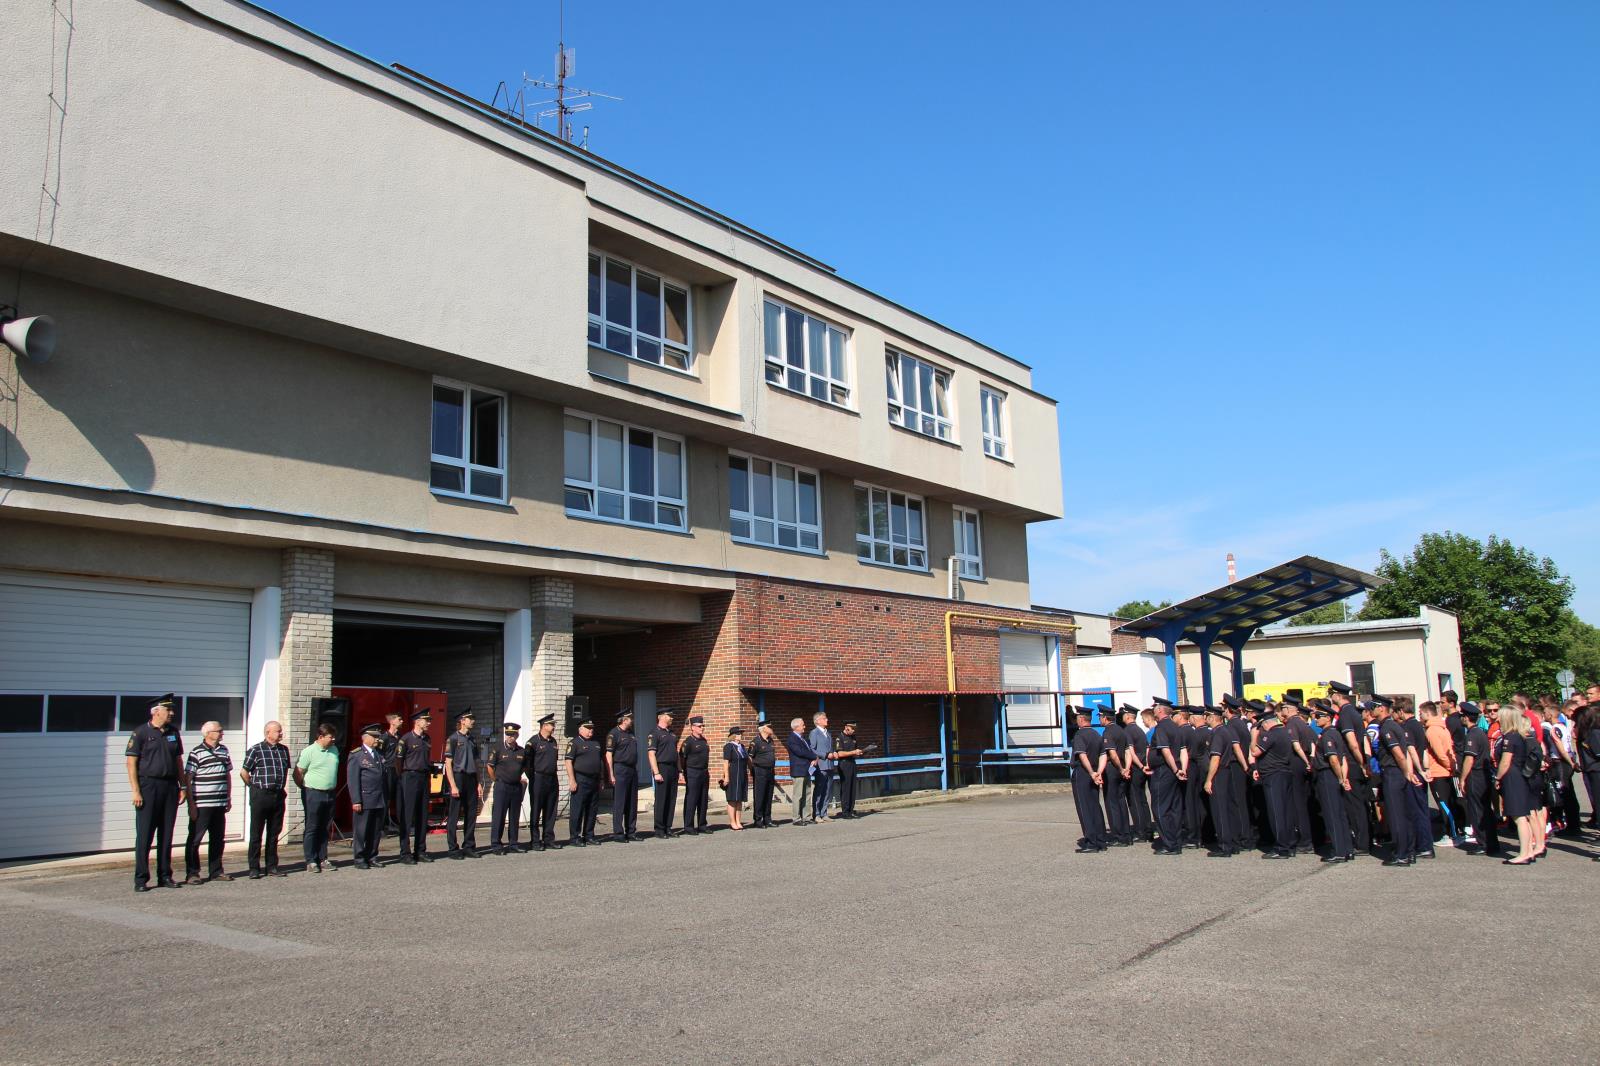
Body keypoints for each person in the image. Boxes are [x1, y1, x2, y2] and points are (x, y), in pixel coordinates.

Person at [126, 693, 187, 892]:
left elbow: (178, 761)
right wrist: (136, 791)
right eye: (168, 710)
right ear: (156, 712)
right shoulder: (141, 732)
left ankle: (165, 875)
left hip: (169, 787)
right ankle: (141, 878)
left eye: (171, 710)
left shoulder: (173, 732)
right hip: (148, 787)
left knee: (167, 834)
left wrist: (183, 786)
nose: (172, 713)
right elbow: (131, 762)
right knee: (145, 835)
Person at [182, 720, 233, 884]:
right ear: (208, 733)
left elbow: (227, 775)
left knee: (218, 839)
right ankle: (192, 873)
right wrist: (192, 805)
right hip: (202, 804)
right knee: (195, 839)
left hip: (219, 803)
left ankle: (216, 871)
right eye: (219, 730)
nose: (222, 733)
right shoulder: (196, 752)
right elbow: (188, 778)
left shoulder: (224, 751)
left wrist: (228, 797)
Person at [239, 719, 290, 880]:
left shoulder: (283, 750)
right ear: (268, 733)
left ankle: (272, 866)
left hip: (277, 795)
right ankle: (254, 868)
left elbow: (285, 771)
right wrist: (254, 788)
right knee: (256, 833)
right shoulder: (256, 750)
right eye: (278, 731)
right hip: (261, 795)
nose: (281, 733)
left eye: (281, 731)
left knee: (274, 833)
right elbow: (244, 772)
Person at [1371, 697, 1418, 867]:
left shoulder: (1387, 728)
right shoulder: (1393, 726)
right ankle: (1409, 851)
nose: (1370, 710)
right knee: (1404, 814)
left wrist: (1406, 772)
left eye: (1373, 707)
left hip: (1393, 772)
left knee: (1396, 815)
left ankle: (1401, 853)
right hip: (1398, 772)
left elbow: (1398, 753)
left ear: (1381, 708)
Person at [1328, 681, 1373, 856]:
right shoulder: (1353, 712)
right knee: (1360, 804)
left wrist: (1362, 764)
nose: (1331, 697)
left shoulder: (1346, 714)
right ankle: (1365, 840)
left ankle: (1362, 843)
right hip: (1356, 763)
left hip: (1352, 765)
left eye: (1332, 694)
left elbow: (1353, 743)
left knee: (1355, 806)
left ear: (1338, 696)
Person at [295, 722, 341, 873]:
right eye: (330, 737)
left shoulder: (334, 750)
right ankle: (311, 860)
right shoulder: (309, 751)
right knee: (312, 827)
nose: (333, 739)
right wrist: (304, 787)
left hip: (330, 793)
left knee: (324, 827)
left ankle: (323, 858)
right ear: (321, 737)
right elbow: (298, 772)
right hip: (313, 792)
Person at [1310, 704, 1353, 862]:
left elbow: (1334, 759)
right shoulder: (1335, 734)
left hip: (1328, 775)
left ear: (1328, 718)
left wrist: (1341, 777)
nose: (1316, 719)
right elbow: (1342, 760)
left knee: (1332, 815)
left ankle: (1338, 851)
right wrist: (1343, 777)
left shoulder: (1328, 735)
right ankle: (1347, 848)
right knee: (1340, 814)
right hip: (1335, 775)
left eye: (1319, 716)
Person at [1495, 707, 1538, 865]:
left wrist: (1497, 777)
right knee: (1522, 817)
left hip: (1512, 776)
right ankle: (1528, 851)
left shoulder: (1510, 737)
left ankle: (1524, 854)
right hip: (1518, 775)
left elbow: (1505, 761)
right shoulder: (1518, 735)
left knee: (1519, 817)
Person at [1457, 702, 1500, 857]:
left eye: (1462, 716)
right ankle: (1491, 842)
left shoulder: (1473, 734)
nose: (1461, 718)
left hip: (1476, 775)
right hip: (1483, 774)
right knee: (1485, 809)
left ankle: (1483, 842)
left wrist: (1462, 779)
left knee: (1478, 810)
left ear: (1467, 717)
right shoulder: (1480, 732)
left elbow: (1469, 758)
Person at [1395, 698, 1436, 859]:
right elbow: (1424, 750)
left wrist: (1415, 771)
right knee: (1422, 809)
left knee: (1416, 811)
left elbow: (1411, 750)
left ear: (1400, 711)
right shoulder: (1419, 726)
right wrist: (1426, 770)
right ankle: (1425, 845)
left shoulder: (1408, 726)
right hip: (1420, 771)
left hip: (1414, 772)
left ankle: (1423, 846)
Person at [1251, 710, 1295, 859]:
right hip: (1285, 772)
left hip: (1273, 774)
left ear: (1265, 723)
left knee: (1276, 811)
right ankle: (1289, 844)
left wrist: (1253, 737)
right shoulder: (1285, 732)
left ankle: (1281, 847)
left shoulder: (1269, 734)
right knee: (1286, 811)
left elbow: (1255, 752)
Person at [1147, 698, 1185, 856]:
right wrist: (1181, 769)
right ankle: (1175, 841)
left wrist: (1176, 769)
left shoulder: (1162, 728)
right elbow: (1182, 750)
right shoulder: (1175, 727)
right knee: (1174, 808)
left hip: (1164, 770)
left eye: (1155, 708)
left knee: (1160, 807)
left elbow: (1165, 751)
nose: (1153, 710)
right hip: (1173, 770)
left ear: (1161, 711)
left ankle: (1169, 844)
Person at [395, 709, 434, 864]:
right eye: (427, 720)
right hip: (409, 777)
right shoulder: (406, 739)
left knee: (423, 815)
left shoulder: (427, 738)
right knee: (407, 815)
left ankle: (420, 850)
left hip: (423, 777)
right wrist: (403, 778)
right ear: (417, 721)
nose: (429, 723)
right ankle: (405, 852)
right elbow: (398, 762)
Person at [347, 722, 387, 869]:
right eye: (375, 736)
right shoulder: (357, 755)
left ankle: (372, 856)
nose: (378, 739)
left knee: (375, 831)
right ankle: (359, 858)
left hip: (379, 798)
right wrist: (356, 800)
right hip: (365, 798)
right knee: (361, 830)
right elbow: (353, 780)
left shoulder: (378, 754)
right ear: (366, 738)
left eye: (378, 736)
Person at [443, 708, 482, 859]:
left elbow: (476, 762)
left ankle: (469, 846)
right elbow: (448, 763)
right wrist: (452, 785)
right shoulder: (453, 739)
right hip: (458, 777)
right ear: (462, 721)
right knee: (454, 814)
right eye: (470, 718)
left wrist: (478, 782)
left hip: (471, 778)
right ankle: (453, 848)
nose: (472, 721)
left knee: (471, 813)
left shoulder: (472, 739)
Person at [1421, 702, 1461, 847]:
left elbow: (1440, 753)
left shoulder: (1432, 730)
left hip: (1439, 772)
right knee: (1448, 803)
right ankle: (1452, 833)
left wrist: (1449, 767)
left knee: (1444, 804)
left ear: (1427, 713)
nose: (1420, 716)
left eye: (1421, 713)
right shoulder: (1443, 727)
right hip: (1445, 770)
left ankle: (1451, 835)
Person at [1280, 696, 1316, 854]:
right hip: (1304, 766)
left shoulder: (1292, 724)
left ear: (1288, 710)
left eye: (1283, 709)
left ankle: (1304, 840)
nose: (1281, 712)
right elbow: (1314, 744)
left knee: (1298, 804)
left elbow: (1295, 745)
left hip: (1296, 765)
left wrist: (1305, 760)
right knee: (1303, 802)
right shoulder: (1303, 724)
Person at [1070, 707, 1108, 853]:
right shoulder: (1096, 734)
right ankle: (1100, 840)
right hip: (1095, 771)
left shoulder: (1080, 735)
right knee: (1095, 806)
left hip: (1083, 772)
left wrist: (1092, 772)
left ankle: (1091, 842)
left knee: (1084, 807)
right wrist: (1099, 772)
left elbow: (1082, 755)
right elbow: (1103, 755)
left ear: (1080, 719)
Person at [486, 722, 526, 855]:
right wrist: (495, 779)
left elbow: (524, 767)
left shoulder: (521, 751)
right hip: (502, 786)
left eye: (513, 735)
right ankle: (496, 845)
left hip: (515, 787)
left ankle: (513, 843)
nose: (510, 737)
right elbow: (490, 767)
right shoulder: (498, 749)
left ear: (517, 735)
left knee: (514, 816)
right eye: (508, 734)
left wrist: (519, 778)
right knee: (499, 817)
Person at [1201, 706, 1235, 857]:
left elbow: (1215, 758)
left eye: (1207, 716)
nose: (1205, 719)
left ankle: (1224, 846)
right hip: (1224, 772)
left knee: (1219, 810)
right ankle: (1230, 842)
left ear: (1213, 717)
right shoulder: (1225, 731)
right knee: (1225, 810)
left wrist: (1209, 780)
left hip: (1218, 773)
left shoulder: (1218, 733)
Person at [566, 718, 603, 846]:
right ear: (580, 729)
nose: (590, 731)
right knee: (578, 809)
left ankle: (589, 835)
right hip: (580, 779)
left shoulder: (596, 743)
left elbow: (600, 762)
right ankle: (575, 837)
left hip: (594, 779)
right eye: (588, 728)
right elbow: (568, 762)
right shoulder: (574, 743)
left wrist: (602, 779)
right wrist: (572, 780)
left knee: (592, 809)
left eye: (592, 728)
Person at [526, 714, 560, 850]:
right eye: (552, 725)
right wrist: (533, 778)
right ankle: (535, 841)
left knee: (551, 810)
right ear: (544, 726)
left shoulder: (553, 742)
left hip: (552, 778)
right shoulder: (533, 742)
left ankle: (549, 839)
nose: (553, 727)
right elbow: (527, 764)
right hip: (538, 778)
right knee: (536, 810)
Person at [605, 709, 640, 843]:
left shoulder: (631, 733)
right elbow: (608, 755)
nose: (632, 720)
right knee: (620, 802)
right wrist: (611, 774)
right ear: (624, 720)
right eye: (630, 718)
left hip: (632, 769)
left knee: (632, 801)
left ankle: (631, 831)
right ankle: (618, 833)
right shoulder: (614, 734)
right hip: (620, 769)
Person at [1099, 707, 1132, 846]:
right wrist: (1126, 769)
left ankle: (1118, 835)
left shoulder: (1108, 732)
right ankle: (1126, 833)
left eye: (1100, 717)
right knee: (1121, 801)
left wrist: (1119, 768)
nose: (1100, 719)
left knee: (1112, 802)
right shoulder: (1121, 730)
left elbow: (1112, 754)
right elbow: (1127, 751)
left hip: (1112, 770)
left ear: (1105, 718)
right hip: (1123, 768)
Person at [1121, 706, 1154, 841]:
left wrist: (1139, 766)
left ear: (1128, 716)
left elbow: (1131, 752)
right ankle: (1148, 829)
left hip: (1136, 768)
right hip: (1143, 767)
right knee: (1143, 800)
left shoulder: (1128, 731)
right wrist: (1145, 764)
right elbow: (1147, 749)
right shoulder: (1140, 730)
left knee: (1134, 800)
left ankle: (1141, 832)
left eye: (1123, 715)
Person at [646, 710, 680, 839]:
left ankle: (668, 827)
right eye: (670, 716)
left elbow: (676, 754)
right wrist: (656, 772)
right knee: (661, 799)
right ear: (663, 717)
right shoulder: (654, 733)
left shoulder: (671, 734)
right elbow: (651, 754)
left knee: (671, 799)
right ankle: (659, 829)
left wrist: (680, 770)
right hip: (662, 767)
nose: (672, 718)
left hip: (672, 769)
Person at [784, 717, 821, 826]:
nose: (804, 727)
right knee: (798, 795)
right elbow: (800, 752)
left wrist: (814, 759)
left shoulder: (803, 739)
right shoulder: (792, 739)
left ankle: (806, 816)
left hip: (807, 769)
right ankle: (796, 818)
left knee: (807, 794)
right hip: (798, 770)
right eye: (803, 725)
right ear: (796, 727)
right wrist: (814, 756)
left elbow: (809, 750)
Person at [679, 715, 711, 834]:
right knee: (692, 799)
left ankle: (702, 825)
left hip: (704, 771)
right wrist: (683, 772)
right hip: (692, 772)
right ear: (692, 727)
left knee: (703, 799)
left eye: (703, 726)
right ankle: (689, 826)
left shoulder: (704, 741)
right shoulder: (688, 742)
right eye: (699, 726)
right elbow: (682, 758)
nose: (702, 728)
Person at [748, 721, 778, 828]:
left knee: (769, 795)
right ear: (763, 728)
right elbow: (750, 757)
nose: (771, 728)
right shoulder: (756, 742)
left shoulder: (770, 740)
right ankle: (758, 820)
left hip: (770, 770)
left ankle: (767, 819)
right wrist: (753, 770)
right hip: (760, 771)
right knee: (760, 796)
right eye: (769, 727)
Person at [834, 720, 866, 818]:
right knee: (846, 788)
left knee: (852, 788)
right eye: (853, 729)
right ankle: (845, 812)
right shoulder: (840, 737)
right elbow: (840, 754)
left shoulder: (853, 737)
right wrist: (853, 752)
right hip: (844, 764)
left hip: (852, 763)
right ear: (847, 728)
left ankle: (851, 810)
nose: (854, 732)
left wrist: (860, 752)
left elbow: (854, 751)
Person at [809, 711, 837, 822]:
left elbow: (830, 748)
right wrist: (825, 755)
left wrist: (833, 753)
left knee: (828, 790)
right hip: (821, 765)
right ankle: (816, 814)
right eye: (824, 718)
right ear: (818, 721)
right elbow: (812, 749)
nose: (827, 720)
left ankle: (824, 813)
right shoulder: (814, 733)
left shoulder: (828, 733)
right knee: (819, 790)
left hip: (830, 765)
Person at [378, 711, 403, 833]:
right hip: (388, 770)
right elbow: (379, 754)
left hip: (398, 770)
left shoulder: (400, 737)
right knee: (386, 798)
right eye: (399, 719)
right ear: (392, 721)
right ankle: (382, 825)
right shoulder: (384, 737)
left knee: (399, 797)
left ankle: (399, 823)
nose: (401, 721)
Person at [721, 726, 749, 830]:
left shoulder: (741, 746)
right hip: (733, 774)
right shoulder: (729, 746)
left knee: (739, 799)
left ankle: (738, 821)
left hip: (742, 774)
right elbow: (726, 762)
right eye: (738, 734)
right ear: (733, 735)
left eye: (741, 734)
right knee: (732, 799)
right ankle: (732, 822)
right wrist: (726, 777)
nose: (740, 735)